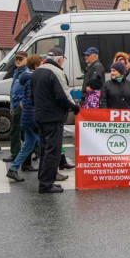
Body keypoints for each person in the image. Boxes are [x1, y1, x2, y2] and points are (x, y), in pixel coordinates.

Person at [33, 47, 79, 194]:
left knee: (45, 149)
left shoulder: (37, 71)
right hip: (53, 117)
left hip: (40, 115)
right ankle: (46, 184)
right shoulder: (56, 72)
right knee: (53, 151)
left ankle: (45, 180)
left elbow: (31, 95)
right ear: (59, 59)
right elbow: (62, 96)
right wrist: (74, 107)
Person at [7, 54, 42, 182]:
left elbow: (17, 94)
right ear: (37, 65)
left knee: (28, 145)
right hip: (33, 117)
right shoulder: (35, 79)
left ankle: (13, 169)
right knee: (46, 145)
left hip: (26, 116)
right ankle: (50, 174)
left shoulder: (24, 78)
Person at [4, 51, 29, 163]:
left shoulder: (26, 73)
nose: (17, 61)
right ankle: (36, 150)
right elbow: (12, 90)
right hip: (15, 104)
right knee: (21, 130)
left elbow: (28, 89)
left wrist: (22, 102)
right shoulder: (16, 72)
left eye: (20, 59)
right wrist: (11, 106)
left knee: (18, 130)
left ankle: (15, 154)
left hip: (21, 105)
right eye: (16, 59)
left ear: (26, 59)